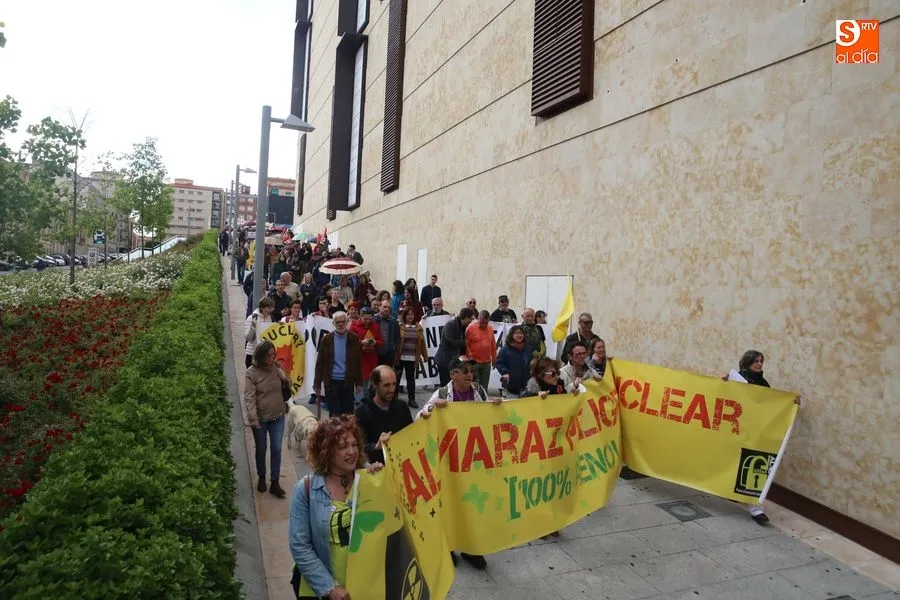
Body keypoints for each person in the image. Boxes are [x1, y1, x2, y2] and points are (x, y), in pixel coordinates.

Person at [416, 355, 502, 570]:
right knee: (451, 503)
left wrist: (498, 406)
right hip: (450, 460)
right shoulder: (442, 394)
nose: (469, 375)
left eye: (471, 371)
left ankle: (471, 548)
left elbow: (488, 417)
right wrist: (432, 408)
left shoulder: (479, 392)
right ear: (453, 375)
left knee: (473, 505)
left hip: (473, 459)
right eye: (464, 371)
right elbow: (419, 418)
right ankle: (449, 546)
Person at [289, 415, 383, 600]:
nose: (351, 452)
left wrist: (380, 479)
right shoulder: (306, 490)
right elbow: (300, 546)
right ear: (327, 451)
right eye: (342, 447)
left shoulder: (369, 481)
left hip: (364, 589)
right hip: (319, 591)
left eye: (354, 444)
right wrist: (330, 588)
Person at [244, 340, 290, 498]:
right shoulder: (251, 372)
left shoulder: (276, 366)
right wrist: (253, 419)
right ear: (260, 356)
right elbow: (249, 398)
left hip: (278, 415)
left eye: (273, 355)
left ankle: (275, 481)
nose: (271, 358)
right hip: (261, 418)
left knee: (276, 449)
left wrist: (284, 378)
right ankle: (262, 476)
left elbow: (287, 385)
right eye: (268, 356)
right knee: (261, 449)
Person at [354, 366, 412, 464]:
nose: (392, 389)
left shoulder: (401, 407)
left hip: (401, 466)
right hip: (376, 469)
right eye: (386, 385)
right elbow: (358, 446)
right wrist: (376, 446)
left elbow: (412, 434)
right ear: (374, 384)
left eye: (394, 384)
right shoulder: (362, 412)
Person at [313, 312, 363, 415]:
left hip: (348, 382)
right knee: (334, 415)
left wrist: (359, 382)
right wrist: (317, 383)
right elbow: (320, 363)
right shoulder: (326, 339)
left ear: (347, 322)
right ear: (333, 323)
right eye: (338, 322)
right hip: (331, 382)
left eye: (343, 322)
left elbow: (357, 362)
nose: (340, 324)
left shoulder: (354, 338)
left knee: (348, 414)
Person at [395, 306, 429, 409]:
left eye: (412, 314)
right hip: (400, 358)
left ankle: (412, 400)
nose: (410, 316)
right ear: (404, 316)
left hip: (412, 359)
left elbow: (422, 343)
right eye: (408, 314)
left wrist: (425, 356)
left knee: (411, 380)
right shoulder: (400, 326)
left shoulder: (418, 328)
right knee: (396, 379)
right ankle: (394, 400)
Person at [434, 308, 475, 386]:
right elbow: (450, 342)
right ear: (465, 317)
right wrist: (465, 342)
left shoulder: (463, 327)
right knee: (446, 386)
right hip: (444, 361)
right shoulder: (450, 325)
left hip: (454, 361)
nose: (471, 321)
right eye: (470, 318)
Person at [349, 307, 384, 383]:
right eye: (365, 319)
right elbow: (349, 341)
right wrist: (361, 342)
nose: (368, 321)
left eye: (370, 319)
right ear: (360, 317)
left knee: (371, 383)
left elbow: (381, 341)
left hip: (371, 359)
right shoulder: (354, 326)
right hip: (359, 359)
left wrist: (375, 342)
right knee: (360, 384)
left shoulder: (375, 326)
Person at [495, 325, 533, 397]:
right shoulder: (505, 349)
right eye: (517, 333)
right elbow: (499, 363)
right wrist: (505, 372)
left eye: (521, 333)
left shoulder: (528, 349)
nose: (520, 335)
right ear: (511, 335)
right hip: (511, 386)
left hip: (526, 386)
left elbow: (532, 364)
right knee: (511, 408)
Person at [465, 310, 496, 391]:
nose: (484, 325)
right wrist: (470, 356)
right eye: (482, 323)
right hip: (475, 362)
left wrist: (494, 359)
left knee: (484, 385)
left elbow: (493, 344)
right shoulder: (470, 328)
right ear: (478, 318)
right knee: (474, 384)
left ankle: (484, 400)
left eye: (486, 323)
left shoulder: (490, 328)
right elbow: (466, 344)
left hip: (487, 362)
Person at [245, 297, 275, 369]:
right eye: (268, 308)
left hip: (265, 355)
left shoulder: (271, 318)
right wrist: (253, 327)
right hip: (252, 353)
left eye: (271, 308)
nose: (271, 310)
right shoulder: (252, 318)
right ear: (262, 308)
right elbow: (248, 338)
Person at [375, 300, 400, 368]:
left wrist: (393, 347)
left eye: (389, 307)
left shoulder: (394, 321)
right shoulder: (374, 319)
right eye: (385, 306)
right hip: (375, 353)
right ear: (379, 307)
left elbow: (397, 337)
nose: (387, 309)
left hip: (388, 354)